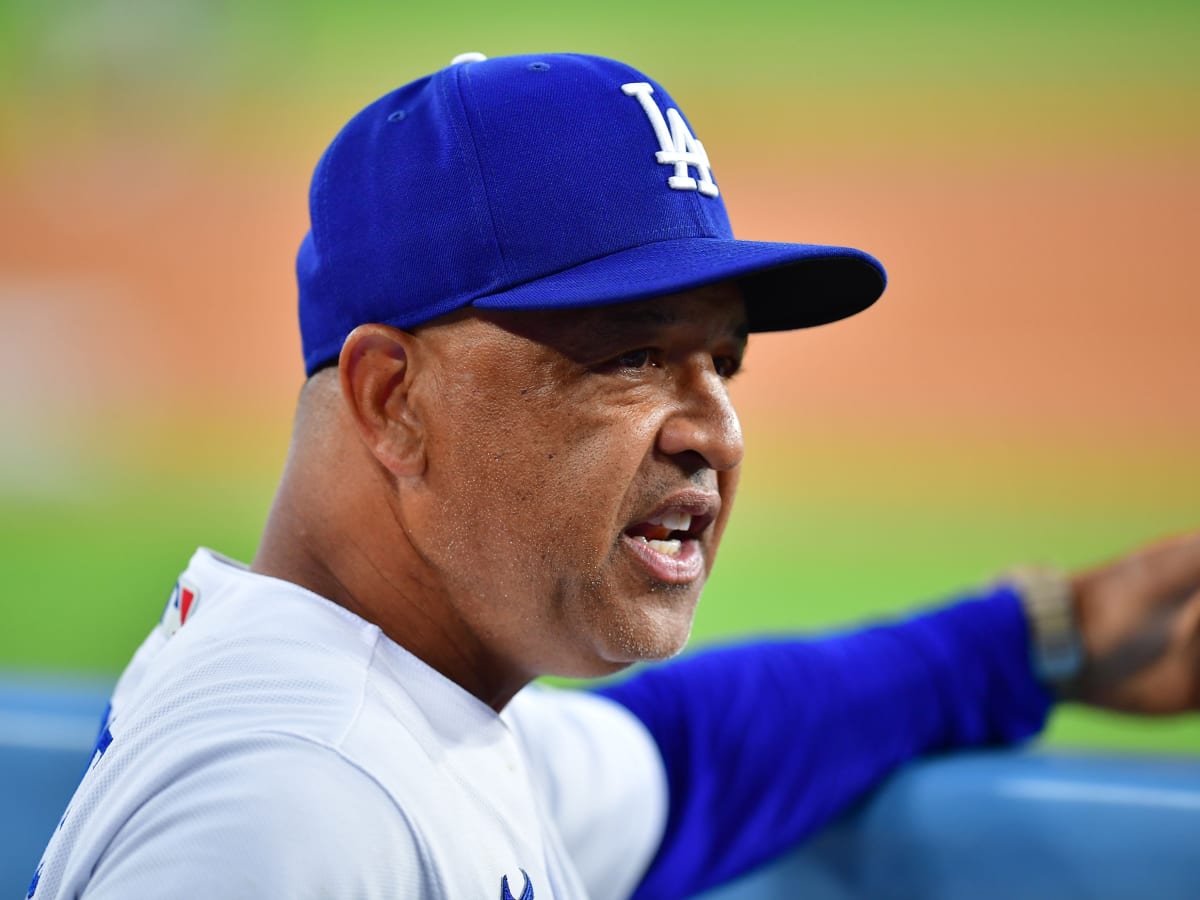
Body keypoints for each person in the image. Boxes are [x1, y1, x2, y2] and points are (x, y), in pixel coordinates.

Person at [30, 51, 1199, 900]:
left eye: (722, 362)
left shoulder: (423, 718)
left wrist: (1046, 634)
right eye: (632, 354)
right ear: (394, 401)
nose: (717, 434)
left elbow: (695, 757)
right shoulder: (294, 808)